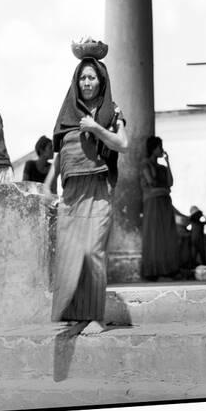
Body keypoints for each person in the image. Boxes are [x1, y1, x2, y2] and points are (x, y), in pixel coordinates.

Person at [44, 37, 128, 335]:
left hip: (98, 190)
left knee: (93, 251)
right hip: (71, 194)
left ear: (101, 81)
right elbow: (60, 155)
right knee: (71, 253)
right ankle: (77, 314)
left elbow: (123, 144)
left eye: (92, 77)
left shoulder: (112, 112)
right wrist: (48, 185)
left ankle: (95, 316)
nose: (87, 82)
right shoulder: (69, 115)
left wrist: (96, 128)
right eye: (82, 77)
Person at [140, 135, 180, 280]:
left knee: (167, 236)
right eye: (159, 147)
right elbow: (152, 182)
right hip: (153, 203)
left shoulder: (162, 167)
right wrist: (164, 190)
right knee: (154, 235)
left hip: (164, 203)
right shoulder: (145, 164)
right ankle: (153, 272)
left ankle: (167, 270)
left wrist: (168, 162)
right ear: (153, 148)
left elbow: (170, 183)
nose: (161, 150)